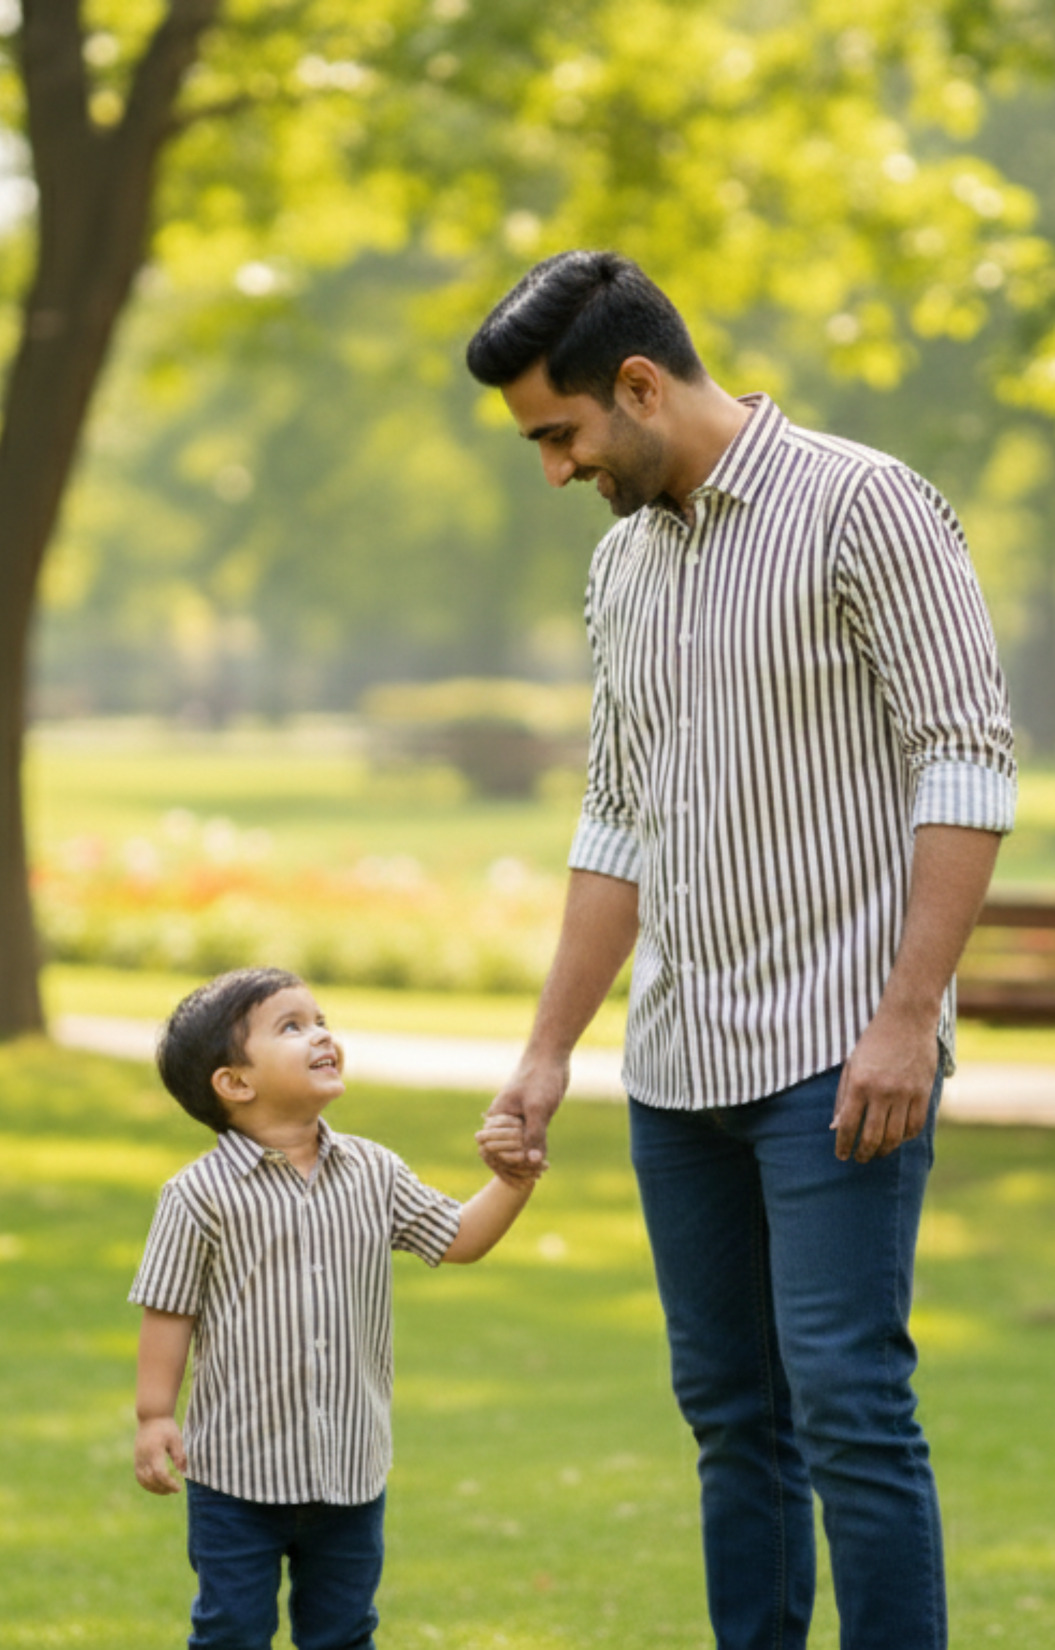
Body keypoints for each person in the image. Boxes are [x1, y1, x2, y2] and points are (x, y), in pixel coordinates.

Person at [466, 250, 1016, 1650]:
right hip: (678, 1065)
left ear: (639, 385)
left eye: (561, 433)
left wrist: (908, 1016)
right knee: (731, 1415)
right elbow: (619, 817)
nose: (556, 469)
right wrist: (545, 1054)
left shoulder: (865, 506)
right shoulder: (622, 566)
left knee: (845, 1397)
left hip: (839, 1051)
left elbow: (967, 760)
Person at [129, 966, 541, 1650]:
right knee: (231, 1630)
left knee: (345, 1633)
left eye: (320, 1019)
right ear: (235, 1083)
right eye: (291, 1027)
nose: (321, 1034)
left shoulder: (373, 1172)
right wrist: (153, 1416)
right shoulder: (199, 1195)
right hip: (237, 1473)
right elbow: (169, 1309)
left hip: (349, 1471)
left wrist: (512, 1181)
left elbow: (460, 1239)